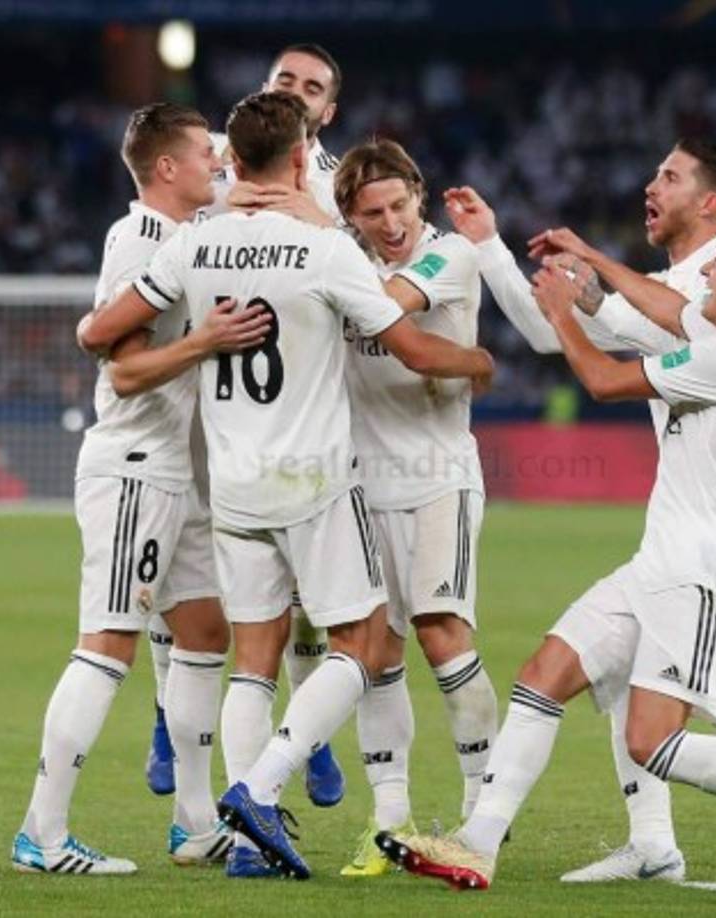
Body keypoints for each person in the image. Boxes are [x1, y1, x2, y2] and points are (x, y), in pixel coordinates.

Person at [379, 222, 716, 893]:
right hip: (658, 562)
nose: (709, 268)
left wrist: (562, 315)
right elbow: (669, 309)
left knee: (653, 744)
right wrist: (590, 263)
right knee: (543, 674)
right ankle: (476, 845)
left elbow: (607, 380)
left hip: (697, 571)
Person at [104, 91, 493, 880]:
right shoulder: (326, 250)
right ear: (295, 161)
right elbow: (413, 349)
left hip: (234, 484)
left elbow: (104, 332)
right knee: (363, 642)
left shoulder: (195, 244)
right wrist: (478, 362)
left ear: (231, 162)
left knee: (255, 659)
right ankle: (259, 787)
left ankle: (249, 847)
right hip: (314, 480)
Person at [11, 103, 264, 875]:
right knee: (110, 643)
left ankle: (193, 822)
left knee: (205, 633)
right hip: (135, 468)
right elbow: (119, 365)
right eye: (201, 154)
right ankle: (42, 834)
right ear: (165, 169)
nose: (215, 165)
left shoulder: (185, 236)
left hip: (183, 478)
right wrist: (205, 342)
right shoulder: (141, 239)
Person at [147, 42, 349, 807]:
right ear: (267, 89)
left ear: (329, 111)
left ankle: (308, 737)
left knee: (293, 593)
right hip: (200, 402)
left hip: (293, 405)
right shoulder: (208, 163)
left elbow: (367, 264)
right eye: (286, 79)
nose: (298, 90)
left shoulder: (333, 184)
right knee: (183, 570)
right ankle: (166, 718)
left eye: (313, 86)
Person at [325, 139, 498, 876]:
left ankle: (481, 811)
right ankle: (387, 821)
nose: (391, 222)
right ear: (353, 217)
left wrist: (326, 274)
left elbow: (386, 312)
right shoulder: (339, 256)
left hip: (438, 478)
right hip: (363, 482)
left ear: (418, 197)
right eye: (373, 212)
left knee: (441, 632)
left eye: (399, 205)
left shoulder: (449, 254)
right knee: (374, 652)